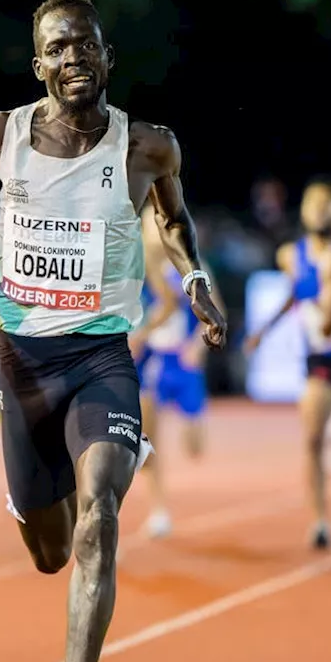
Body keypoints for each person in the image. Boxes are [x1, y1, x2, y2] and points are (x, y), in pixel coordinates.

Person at [0, 0, 226, 662]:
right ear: (39, 62)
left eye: (86, 46)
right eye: (59, 48)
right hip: (24, 362)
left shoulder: (148, 144)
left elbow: (175, 217)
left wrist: (194, 280)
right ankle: (40, 496)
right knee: (51, 552)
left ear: (107, 57)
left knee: (98, 518)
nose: (75, 58)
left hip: (102, 357)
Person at [243, 179, 331, 551]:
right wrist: (263, 331)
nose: (319, 211)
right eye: (313, 204)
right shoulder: (292, 254)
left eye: (326, 204)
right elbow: (294, 295)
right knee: (312, 439)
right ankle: (321, 520)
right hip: (319, 358)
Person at [128, 200, 224, 539]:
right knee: (146, 438)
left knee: (194, 447)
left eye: (157, 224)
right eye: (146, 225)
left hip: (183, 363)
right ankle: (158, 510)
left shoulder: (189, 266)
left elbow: (215, 312)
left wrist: (198, 346)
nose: (151, 231)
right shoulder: (134, 267)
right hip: (153, 360)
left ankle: (196, 424)